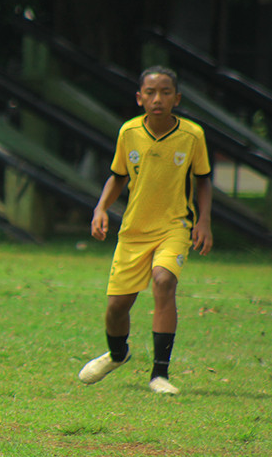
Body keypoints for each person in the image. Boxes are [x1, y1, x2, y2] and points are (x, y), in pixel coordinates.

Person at [78, 66, 213, 395]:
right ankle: (117, 354)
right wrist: (100, 208)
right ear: (140, 98)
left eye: (165, 92)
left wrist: (204, 221)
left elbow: (204, 180)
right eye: (150, 93)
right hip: (134, 231)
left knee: (164, 281)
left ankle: (159, 374)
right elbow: (118, 176)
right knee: (117, 308)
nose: (158, 99)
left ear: (176, 99)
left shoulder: (192, 135)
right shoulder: (129, 132)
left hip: (174, 226)